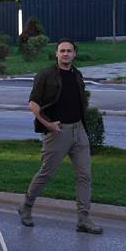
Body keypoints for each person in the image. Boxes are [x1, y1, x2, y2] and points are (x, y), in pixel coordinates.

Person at [21, 40, 102, 234]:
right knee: (46, 173)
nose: (66, 54)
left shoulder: (77, 74)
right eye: (62, 51)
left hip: (79, 131)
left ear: (74, 54)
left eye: (69, 51)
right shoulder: (46, 74)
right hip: (57, 131)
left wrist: (82, 126)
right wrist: (47, 124)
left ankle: (83, 219)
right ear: (56, 54)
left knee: (85, 176)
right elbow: (33, 104)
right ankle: (26, 206)